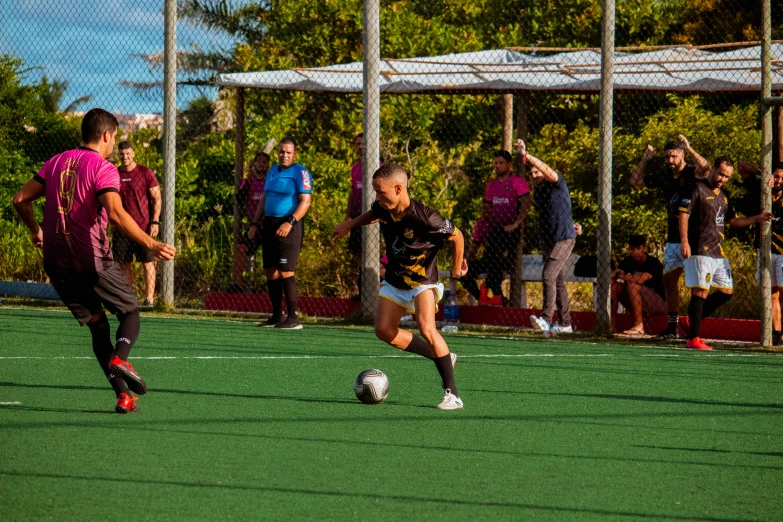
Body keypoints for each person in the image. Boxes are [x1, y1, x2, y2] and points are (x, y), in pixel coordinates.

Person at [11, 108, 176, 413]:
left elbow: (20, 199)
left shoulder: (55, 162)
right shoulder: (103, 167)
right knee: (129, 311)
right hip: (91, 258)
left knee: (98, 326)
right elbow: (115, 214)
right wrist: (151, 242)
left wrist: (37, 230)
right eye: (114, 138)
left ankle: (123, 396)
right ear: (106, 136)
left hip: (56, 262)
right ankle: (121, 358)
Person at [332, 163, 468, 410]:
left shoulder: (426, 217)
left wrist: (457, 268)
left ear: (398, 188)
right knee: (384, 330)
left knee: (427, 328)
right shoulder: (384, 207)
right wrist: (347, 226)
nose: (377, 197)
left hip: (422, 282)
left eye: (381, 192)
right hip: (395, 281)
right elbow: (373, 214)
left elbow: (457, 236)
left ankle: (453, 394)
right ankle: (443, 357)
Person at [679, 156, 772, 350]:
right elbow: (684, 215)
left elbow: (733, 221)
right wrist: (685, 242)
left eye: (727, 176)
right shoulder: (697, 188)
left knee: (726, 291)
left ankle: (692, 321)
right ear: (713, 168)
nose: (723, 179)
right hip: (699, 248)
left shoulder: (724, 195)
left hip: (718, 251)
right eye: (721, 174)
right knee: (700, 291)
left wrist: (756, 218)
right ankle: (693, 339)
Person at [630, 136, 709, 338]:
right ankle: (672, 328)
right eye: (667, 157)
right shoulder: (665, 175)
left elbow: (706, 168)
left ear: (681, 155)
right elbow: (635, 181)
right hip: (673, 237)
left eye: (674, 156)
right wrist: (646, 159)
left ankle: (694, 329)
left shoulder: (692, 173)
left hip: (694, 237)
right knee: (669, 281)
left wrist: (690, 147)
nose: (670, 160)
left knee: (694, 283)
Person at [248, 138, 312, 329]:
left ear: (295, 154)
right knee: (270, 271)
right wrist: (254, 223)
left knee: (286, 271)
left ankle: (293, 318)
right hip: (269, 223)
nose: (284, 155)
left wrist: (290, 222)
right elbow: (265, 198)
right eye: (282, 152)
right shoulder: (273, 171)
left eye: (288, 152)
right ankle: (276, 316)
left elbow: (305, 202)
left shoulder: (301, 172)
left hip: (289, 225)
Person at [518, 139, 577, 335]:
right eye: (532, 174)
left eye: (537, 172)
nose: (535, 175)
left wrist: (527, 156)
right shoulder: (540, 192)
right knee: (557, 281)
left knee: (548, 275)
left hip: (564, 239)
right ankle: (566, 324)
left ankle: (545, 319)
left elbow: (548, 170)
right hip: (549, 241)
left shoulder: (557, 183)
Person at [113, 140, 162, 308]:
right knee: (124, 264)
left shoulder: (145, 172)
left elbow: (157, 198)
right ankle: (129, 300)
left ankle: (149, 300)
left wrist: (154, 222)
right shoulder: (114, 174)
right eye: (121, 154)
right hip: (121, 228)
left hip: (143, 228)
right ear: (118, 155)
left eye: (128, 153)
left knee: (148, 263)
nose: (125, 157)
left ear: (133, 153)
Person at [483, 149, 531, 304]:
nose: (497, 166)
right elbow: (488, 207)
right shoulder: (491, 186)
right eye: (495, 163)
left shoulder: (517, 182)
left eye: (501, 163)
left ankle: (496, 294)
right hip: (495, 230)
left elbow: (526, 204)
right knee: (491, 259)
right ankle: (499, 298)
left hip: (510, 231)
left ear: (509, 165)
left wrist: (515, 223)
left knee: (497, 259)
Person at [611, 235, 667, 335]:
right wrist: (616, 275)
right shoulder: (628, 261)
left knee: (633, 285)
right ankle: (612, 324)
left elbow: (639, 279)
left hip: (657, 303)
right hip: (637, 300)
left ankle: (639, 325)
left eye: (638, 249)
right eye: (632, 249)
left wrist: (619, 275)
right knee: (615, 287)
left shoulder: (654, 263)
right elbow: (614, 274)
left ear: (645, 248)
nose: (635, 252)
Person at [231, 151, 270, 291]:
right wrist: (248, 180)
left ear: (268, 166)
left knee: (271, 259)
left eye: (264, 162)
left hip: (269, 225)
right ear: (254, 164)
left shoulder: (270, 181)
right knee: (241, 247)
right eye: (258, 161)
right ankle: (237, 286)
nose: (261, 164)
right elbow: (240, 199)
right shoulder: (247, 182)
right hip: (254, 226)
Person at [760, 166, 783, 344]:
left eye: (782, 178)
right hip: (767, 251)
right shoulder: (764, 192)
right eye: (776, 176)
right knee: (772, 294)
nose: (778, 180)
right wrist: (764, 175)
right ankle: (776, 334)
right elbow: (743, 166)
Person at [462, 199, 493, 303]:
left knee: (493, 274)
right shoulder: (480, 224)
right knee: (461, 272)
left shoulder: (499, 222)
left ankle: (502, 300)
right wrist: (466, 261)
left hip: (499, 260)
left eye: (486, 208)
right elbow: (475, 245)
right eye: (482, 208)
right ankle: (480, 298)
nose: (483, 211)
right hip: (487, 259)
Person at [346, 134, 365, 298]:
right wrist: (348, 216)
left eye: (363, 144)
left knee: (373, 254)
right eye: (357, 143)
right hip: (357, 217)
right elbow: (353, 191)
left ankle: (374, 291)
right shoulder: (355, 168)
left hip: (373, 218)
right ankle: (361, 291)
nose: (360, 146)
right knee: (358, 254)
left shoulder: (379, 167)